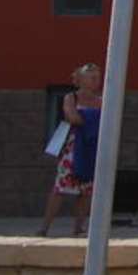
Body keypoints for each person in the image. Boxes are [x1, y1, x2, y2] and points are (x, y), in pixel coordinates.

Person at [38, 63, 102, 237]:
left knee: (86, 190)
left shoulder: (101, 101)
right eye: (92, 77)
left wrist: (86, 119)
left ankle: (78, 226)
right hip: (72, 150)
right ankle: (45, 227)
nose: (96, 80)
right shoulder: (70, 98)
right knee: (60, 188)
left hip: (90, 149)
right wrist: (93, 120)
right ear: (81, 79)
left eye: (98, 77)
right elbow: (72, 117)